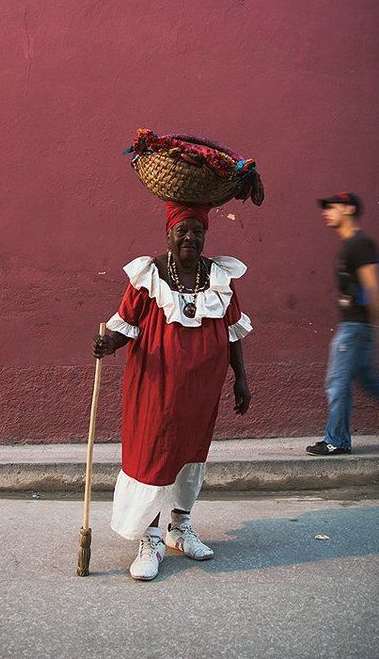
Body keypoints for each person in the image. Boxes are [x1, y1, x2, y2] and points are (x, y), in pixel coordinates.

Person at [91, 201, 253, 580]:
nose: (190, 238)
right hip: (155, 387)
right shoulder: (149, 274)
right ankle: (150, 538)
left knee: (190, 453)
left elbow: (231, 332)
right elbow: (125, 325)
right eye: (183, 230)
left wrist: (240, 377)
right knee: (153, 454)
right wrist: (108, 344)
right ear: (168, 234)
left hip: (202, 388)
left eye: (197, 231)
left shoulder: (219, 275)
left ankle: (179, 529)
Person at [306, 192, 379, 456]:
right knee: (368, 379)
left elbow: (372, 285)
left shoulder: (359, 245)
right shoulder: (351, 245)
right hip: (358, 326)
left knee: (337, 381)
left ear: (349, 209)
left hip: (355, 328)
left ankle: (337, 440)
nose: (326, 212)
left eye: (333, 207)